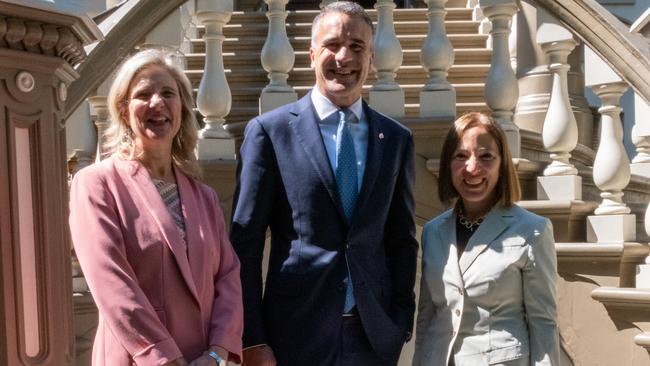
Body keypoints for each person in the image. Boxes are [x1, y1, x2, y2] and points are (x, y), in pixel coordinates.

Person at [230, 2, 418, 365]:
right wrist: (251, 337)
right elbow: (245, 246)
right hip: (294, 337)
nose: (343, 57)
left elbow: (401, 240)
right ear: (312, 54)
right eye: (332, 45)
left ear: (372, 58)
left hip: (372, 339)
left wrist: (400, 320)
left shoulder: (395, 140)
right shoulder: (270, 133)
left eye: (357, 46)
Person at [69, 49, 243, 366]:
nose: (157, 103)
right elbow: (113, 286)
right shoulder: (96, 184)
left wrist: (218, 354)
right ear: (123, 110)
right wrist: (165, 358)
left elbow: (228, 279)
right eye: (143, 94)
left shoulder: (204, 196)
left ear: (182, 109)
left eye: (168, 93)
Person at [412, 112, 560, 366]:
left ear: (502, 165)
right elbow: (428, 317)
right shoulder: (433, 231)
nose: (472, 168)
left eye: (486, 156)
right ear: (449, 163)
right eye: (461, 156)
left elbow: (544, 323)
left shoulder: (532, 230)